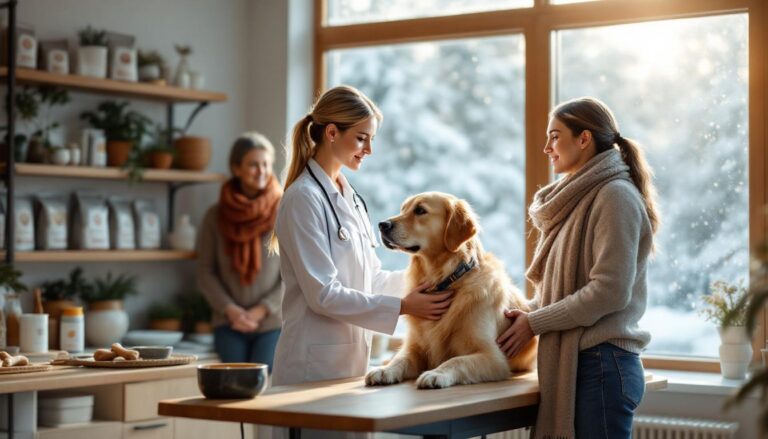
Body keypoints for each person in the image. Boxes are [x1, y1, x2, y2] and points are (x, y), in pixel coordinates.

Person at [496, 97, 659, 439]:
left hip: (602, 366)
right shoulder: (580, 198)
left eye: (554, 136)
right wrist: (523, 316)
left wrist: (535, 322)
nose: (546, 147)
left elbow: (609, 292)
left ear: (584, 139)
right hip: (587, 365)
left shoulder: (614, 196)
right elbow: (565, 291)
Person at [271, 85, 454, 387]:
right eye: (361, 138)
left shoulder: (351, 198)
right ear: (331, 133)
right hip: (309, 368)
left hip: (350, 366)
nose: (368, 149)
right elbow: (323, 294)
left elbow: (372, 279)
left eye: (371, 139)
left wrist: (434, 279)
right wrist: (404, 307)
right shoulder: (302, 198)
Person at [197, 132, 284, 369]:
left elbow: (294, 272)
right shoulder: (214, 217)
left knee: (261, 384)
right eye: (253, 164)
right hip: (228, 323)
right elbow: (206, 271)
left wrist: (261, 310)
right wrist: (231, 310)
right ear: (236, 169)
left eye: (266, 164)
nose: (262, 171)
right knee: (232, 385)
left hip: (272, 322)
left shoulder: (284, 212)